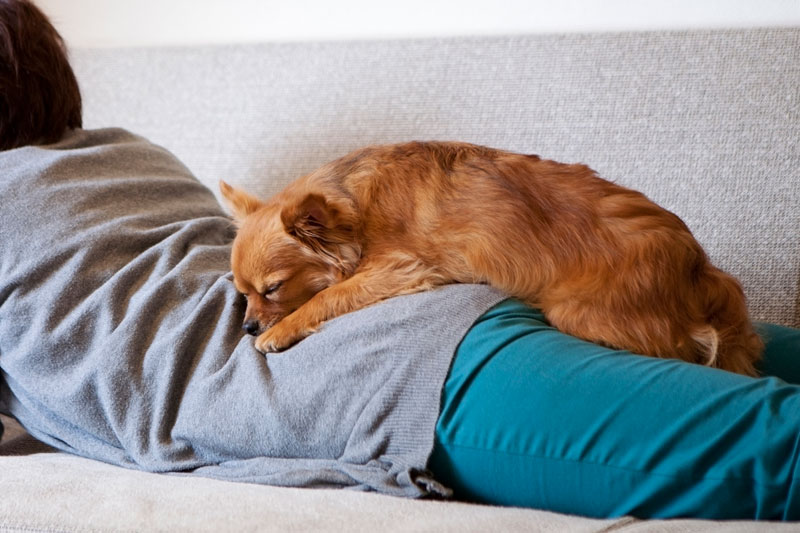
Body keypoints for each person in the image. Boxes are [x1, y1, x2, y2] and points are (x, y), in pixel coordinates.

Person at [1, 0, 799, 521]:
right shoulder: (134, 152)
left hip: (398, 379)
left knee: (771, 450)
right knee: (756, 364)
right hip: (474, 300)